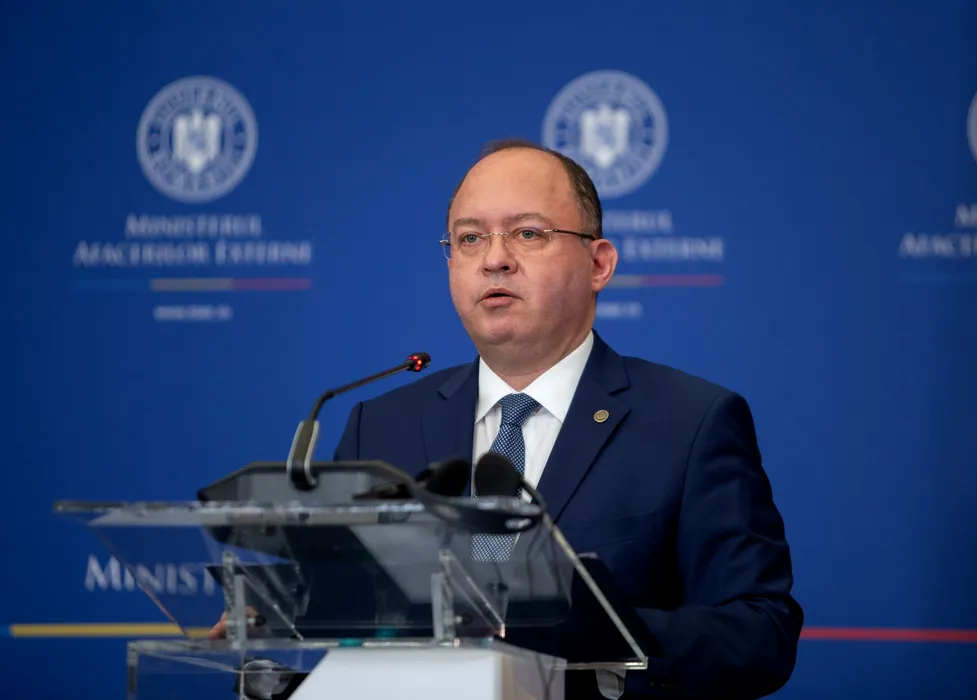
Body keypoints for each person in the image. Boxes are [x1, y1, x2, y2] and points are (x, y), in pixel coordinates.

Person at [212, 138, 803, 699]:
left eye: (527, 233)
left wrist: (583, 630)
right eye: (469, 239)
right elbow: (351, 617)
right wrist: (290, 618)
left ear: (599, 263)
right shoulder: (380, 425)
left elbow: (759, 634)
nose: (494, 260)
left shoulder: (690, 422)